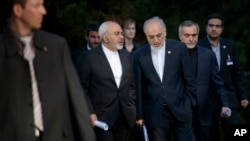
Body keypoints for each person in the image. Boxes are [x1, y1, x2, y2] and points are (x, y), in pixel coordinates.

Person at [0, 0, 95, 141]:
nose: (43, 11)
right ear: (18, 10)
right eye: (37, 5)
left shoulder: (56, 45)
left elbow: (76, 97)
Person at [133, 16, 196, 141]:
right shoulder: (138, 55)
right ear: (146, 35)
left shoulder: (179, 48)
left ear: (165, 32)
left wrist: (189, 104)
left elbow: (189, 79)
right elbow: (139, 87)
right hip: (155, 113)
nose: (156, 40)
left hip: (181, 109)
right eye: (151, 37)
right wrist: (139, 115)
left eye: (159, 35)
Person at [77, 21, 136, 141]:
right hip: (101, 118)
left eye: (121, 33)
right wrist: (89, 112)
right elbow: (81, 88)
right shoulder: (88, 57)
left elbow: (132, 85)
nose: (121, 37)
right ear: (105, 37)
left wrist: (131, 105)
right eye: (117, 34)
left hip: (125, 117)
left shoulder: (127, 56)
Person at [198, 13, 249, 141]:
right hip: (208, 99)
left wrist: (243, 96)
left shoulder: (230, 46)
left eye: (217, 26)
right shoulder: (199, 46)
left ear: (222, 28)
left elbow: (237, 72)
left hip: (229, 97)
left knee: (236, 131)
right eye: (211, 26)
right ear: (206, 27)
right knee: (212, 134)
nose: (214, 29)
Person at [178, 20, 231, 141]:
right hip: (182, 112)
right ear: (180, 36)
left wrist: (224, 104)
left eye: (194, 35)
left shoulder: (208, 55)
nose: (191, 38)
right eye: (187, 35)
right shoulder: (173, 56)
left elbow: (217, 83)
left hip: (204, 112)